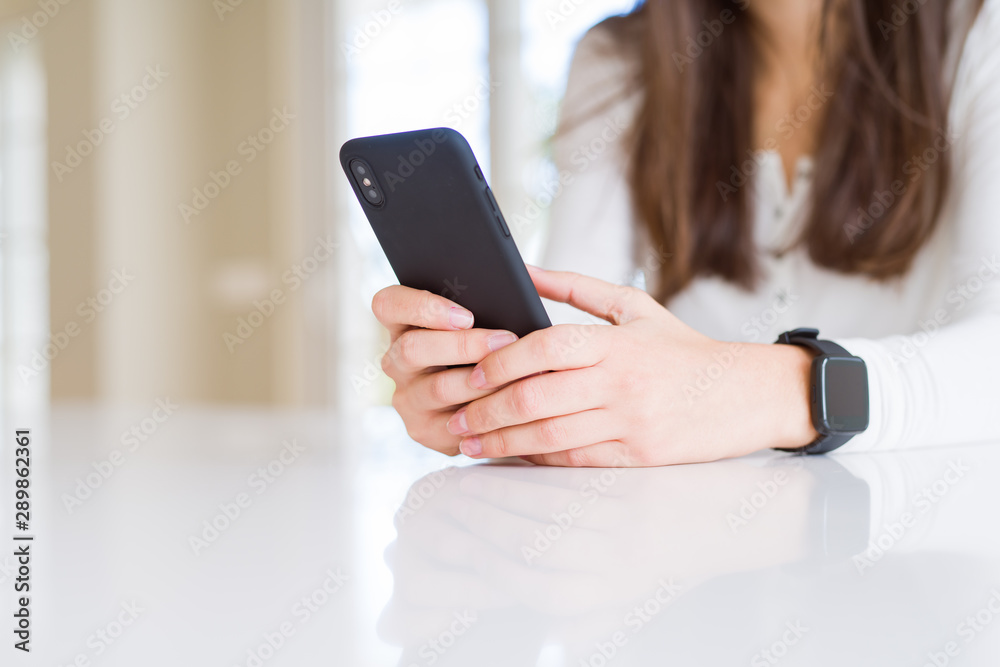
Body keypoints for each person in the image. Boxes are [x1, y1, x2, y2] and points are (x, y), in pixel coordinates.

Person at [372, 0, 999, 466]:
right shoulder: (620, 63)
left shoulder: (978, 37)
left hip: (915, 538)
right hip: (687, 551)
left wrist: (769, 391)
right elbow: (568, 326)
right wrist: (493, 391)